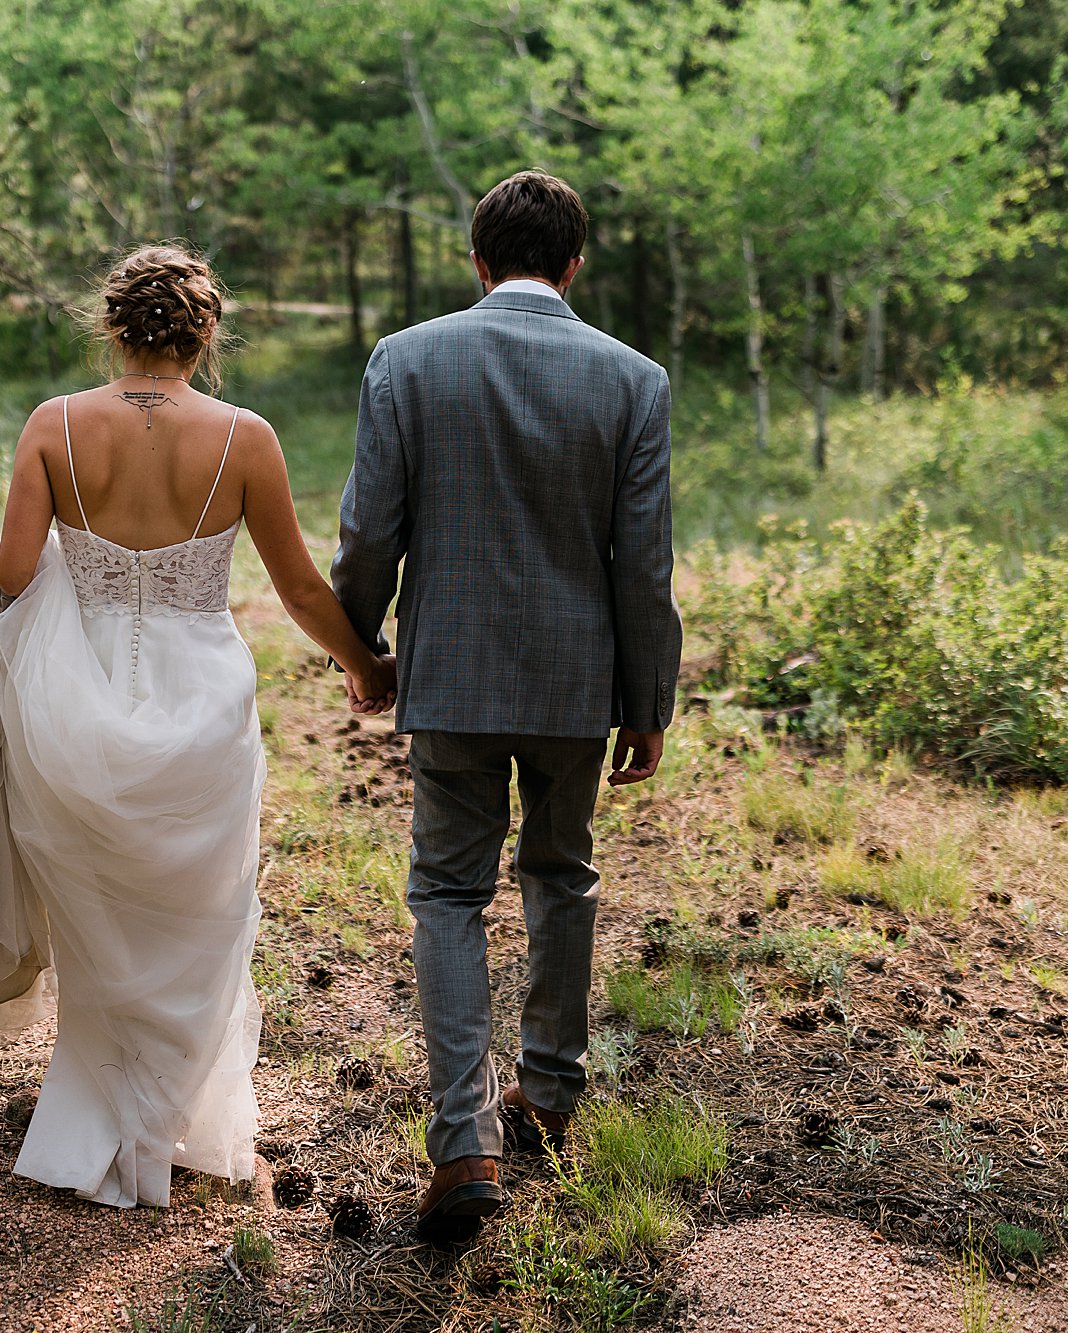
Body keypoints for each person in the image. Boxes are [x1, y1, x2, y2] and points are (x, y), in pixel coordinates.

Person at [0, 244, 396, 1209]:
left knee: (95, 910)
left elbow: (16, 576)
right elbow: (303, 587)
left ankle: (96, 1112)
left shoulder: (55, 425)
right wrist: (366, 662)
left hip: (76, 704)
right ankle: (184, 1117)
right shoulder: (247, 437)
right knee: (205, 910)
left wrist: (90, 591)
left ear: (111, 325)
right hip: (202, 702)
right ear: (206, 333)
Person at [330, 170, 684, 1244]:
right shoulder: (633, 379)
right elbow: (642, 563)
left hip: (453, 677)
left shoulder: (408, 358)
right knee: (561, 872)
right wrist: (646, 698)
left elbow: (368, 532)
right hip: (577, 686)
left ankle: (462, 1142)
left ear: (475, 260)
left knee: (445, 891)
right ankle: (549, 1091)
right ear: (572, 266)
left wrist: (362, 647)